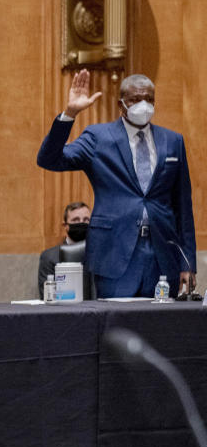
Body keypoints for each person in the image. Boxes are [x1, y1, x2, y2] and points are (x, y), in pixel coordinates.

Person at [37, 70, 196, 298]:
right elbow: (49, 159)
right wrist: (70, 113)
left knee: (164, 329)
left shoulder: (173, 141)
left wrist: (188, 262)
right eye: (135, 99)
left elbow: (183, 206)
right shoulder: (98, 137)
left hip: (163, 256)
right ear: (121, 104)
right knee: (117, 327)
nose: (144, 105)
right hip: (115, 254)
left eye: (149, 99)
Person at [38, 202, 91, 298]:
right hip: (64, 310)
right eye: (76, 220)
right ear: (65, 225)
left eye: (86, 220)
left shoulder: (99, 255)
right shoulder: (50, 257)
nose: (81, 223)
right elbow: (47, 295)